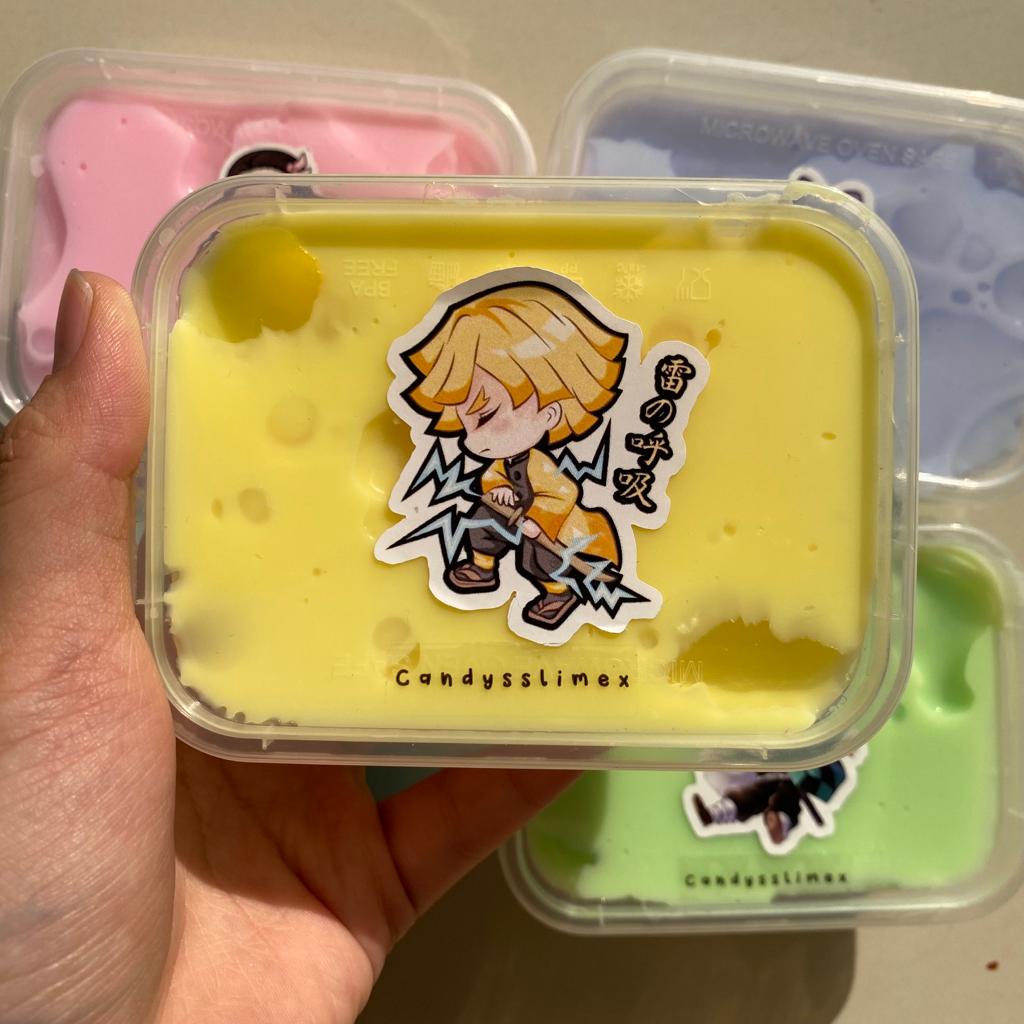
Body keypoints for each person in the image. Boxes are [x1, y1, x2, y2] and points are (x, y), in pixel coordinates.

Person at [0, 272, 575, 1023]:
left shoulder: (551, 473)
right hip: (255, 832)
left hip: (526, 567)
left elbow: (554, 504)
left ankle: (539, 583)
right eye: (463, 407)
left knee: (536, 553)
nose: (468, 421)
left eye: (485, 408)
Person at [401, 283, 625, 629]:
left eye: (486, 416)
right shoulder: (502, 460)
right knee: (482, 519)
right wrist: (499, 490)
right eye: (466, 424)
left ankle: (558, 593)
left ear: (549, 413)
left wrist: (540, 520)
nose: (472, 442)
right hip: (514, 514)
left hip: (556, 527)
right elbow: (492, 477)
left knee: (540, 557)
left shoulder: (541, 465)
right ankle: (482, 567)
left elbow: (564, 495)